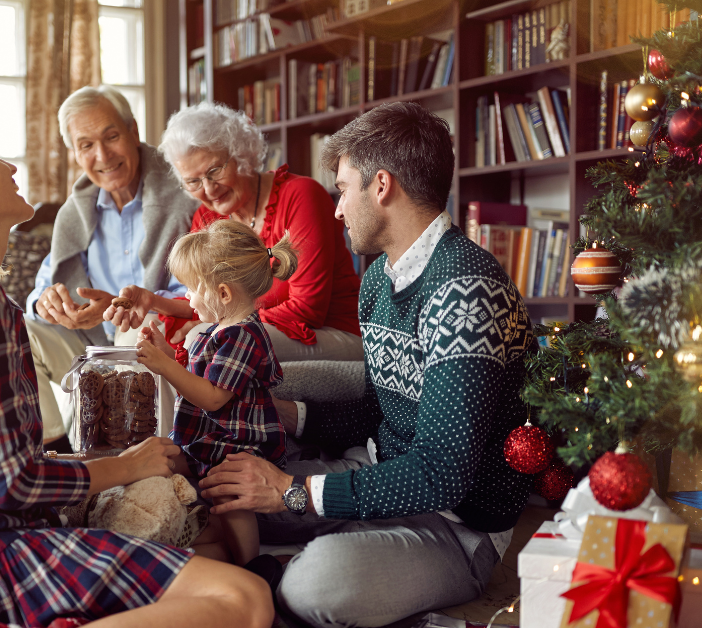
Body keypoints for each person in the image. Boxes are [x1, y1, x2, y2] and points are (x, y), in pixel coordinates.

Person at [0, 122, 273, 628]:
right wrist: (127, 465)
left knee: (213, 572)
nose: (11, 166)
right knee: (246, 601)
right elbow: (15, 483)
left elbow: (2, 469)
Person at [197, 102, 537, 627]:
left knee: (317, 583)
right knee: (225, 503)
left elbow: (442, 475)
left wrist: (290, 492)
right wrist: (282, 412)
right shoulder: (379, 279)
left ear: (381, 186)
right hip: (375, 471)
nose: (336, 209)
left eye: (342, 189)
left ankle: (307, 566)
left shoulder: (465, 288)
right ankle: (310, 558)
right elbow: (378, 411)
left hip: (456, 525)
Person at [105, 101, 362, 364]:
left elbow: (307, 310)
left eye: (214, 171)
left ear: (240, 154)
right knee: (143, 332)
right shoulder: (207, 217)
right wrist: (152, 301)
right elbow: (205, 300)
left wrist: (214, 328)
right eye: (193, 181)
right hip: (255, 326)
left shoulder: (301, 196)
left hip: (328, 333)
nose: (208, 188)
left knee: (202, 341)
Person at [25, 85, 198, 453]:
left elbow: (202, 289)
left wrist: (126, 308)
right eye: (86, 145)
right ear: (75, 153)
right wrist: (45, 302)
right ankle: (59, 453)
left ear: (134, 132)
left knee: (137, 335)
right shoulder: (77, 210)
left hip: (154, 332)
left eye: (111, 136)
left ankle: (151, 461)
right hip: (90, 344)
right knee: (17, 330)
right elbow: (45, 283)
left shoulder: (182, 194)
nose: (102, 155)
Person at [134, 220, 297, 567]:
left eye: (191, 288)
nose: (188, 298)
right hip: (207, 437)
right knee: (159, 461)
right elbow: (197, 376)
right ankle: (198, 538)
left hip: (235, 443)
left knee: (230, 494)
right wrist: (166, 354)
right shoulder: (217, 330)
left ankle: (252, 565)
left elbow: (212, 397)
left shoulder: (243, 335)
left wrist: (166, 368)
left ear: (223, 293)